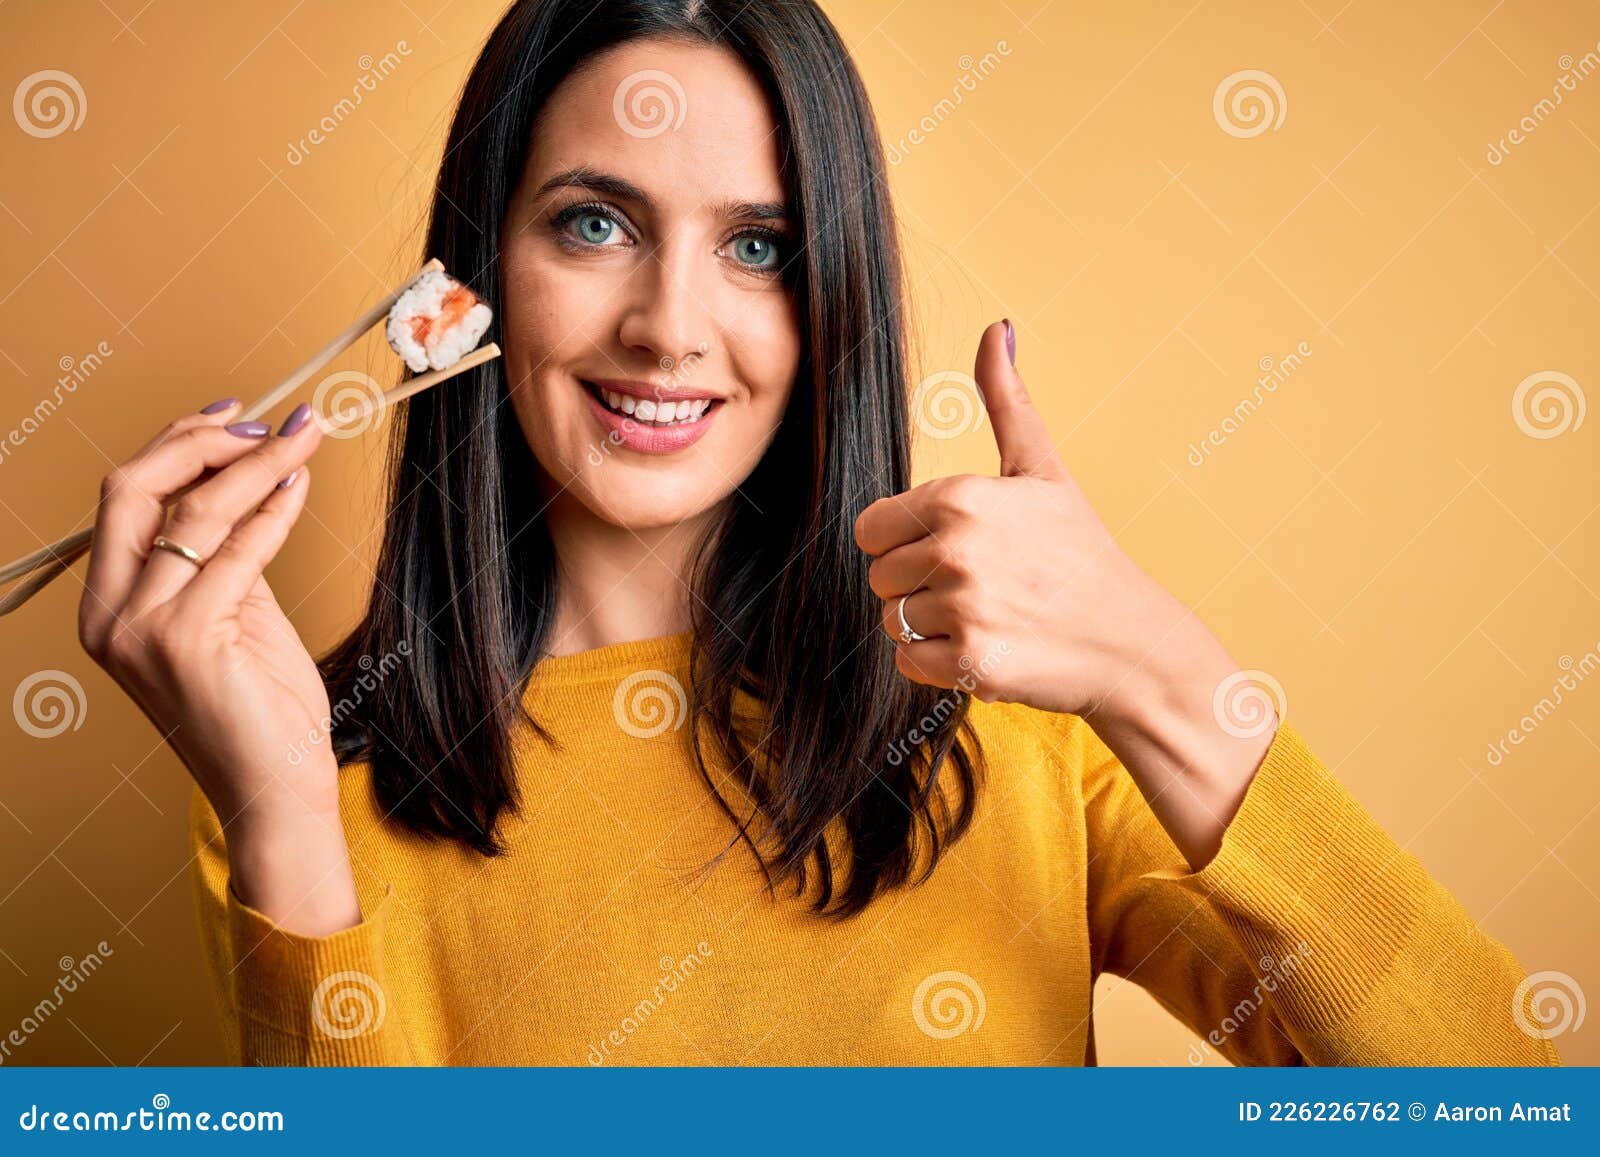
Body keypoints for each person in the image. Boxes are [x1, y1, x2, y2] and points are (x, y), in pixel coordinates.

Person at [78, 0, 1558, 1065]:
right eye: (593, 222)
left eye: (760, 247)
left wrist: (1166, 672)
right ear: (475, 282)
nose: (667, 328)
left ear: (833, 294)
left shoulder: (1026, 732)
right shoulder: (301, 762)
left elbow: (1496, 1102)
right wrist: (282, 808)